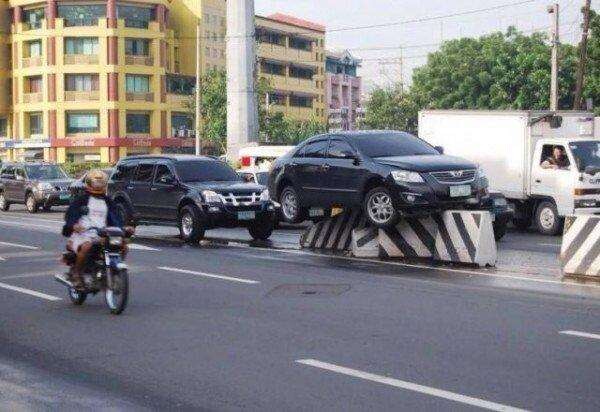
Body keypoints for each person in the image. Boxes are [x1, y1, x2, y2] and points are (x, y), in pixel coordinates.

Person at [62, 170, 124, 289]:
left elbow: (116, 217)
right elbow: (71, 214)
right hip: (83, 234)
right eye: (96, 182)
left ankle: (113, 271)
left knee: (123, 246)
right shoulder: (81, 199)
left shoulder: (108, 201)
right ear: (89, 183)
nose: (98, 185)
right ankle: (77, 273)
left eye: (101, 183)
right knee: (86, 247)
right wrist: (74, 225)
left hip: (102, 234)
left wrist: (123, 228)